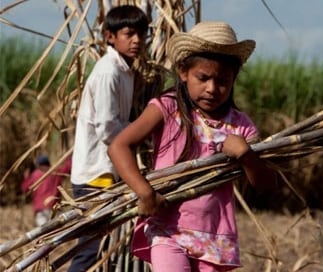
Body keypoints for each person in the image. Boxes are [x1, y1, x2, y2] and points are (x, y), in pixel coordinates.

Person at [108, 21, 278, 272]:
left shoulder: (240, 126)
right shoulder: (167, 108)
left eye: (222, 81)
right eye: (203, 77)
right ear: (183, 71)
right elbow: (119, 145)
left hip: (215, 238)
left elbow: (266, 185)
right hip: (168, 229)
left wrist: (246, 155)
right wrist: (144, 192)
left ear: (234, 79)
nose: (212, 88)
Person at [68, 5, 149, 272]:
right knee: (91, 250)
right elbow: (107, 129)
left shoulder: (125, 70)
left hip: (106, 170)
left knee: (102, 249)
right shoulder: (108, 73)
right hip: (96, 174)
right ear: (109, 36)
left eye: (141, 34)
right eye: (129, 33)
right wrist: (142, 132)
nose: (137, 40)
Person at [21, 155, 72, 227]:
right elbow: (68, 167)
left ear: (38, 165)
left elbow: (25, 188)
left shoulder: (35, 175)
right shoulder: (56, 172)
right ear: (48, 163)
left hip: (41, 210)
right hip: (55, 208)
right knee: (59, 232)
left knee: (45, 233)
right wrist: (68, 158)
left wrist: (26, 177)